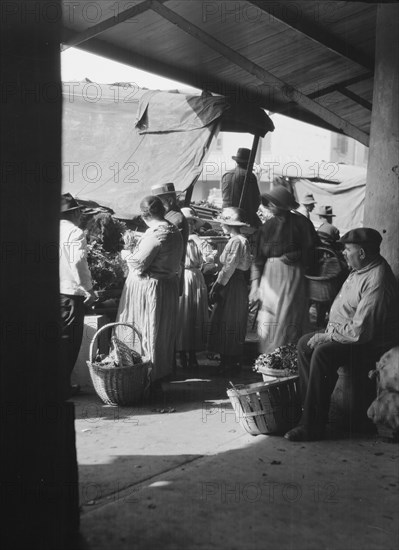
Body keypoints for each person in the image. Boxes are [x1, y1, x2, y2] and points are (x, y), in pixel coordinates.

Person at [284, 228, 399, 442]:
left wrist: (327, 336)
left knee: (323, 352)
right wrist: (328, 331)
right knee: (304, 344)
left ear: (362, 253)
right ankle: (309, 414)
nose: (344, 253)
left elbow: (361, 332)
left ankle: (312, 426)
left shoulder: (377, 279)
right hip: (348, 332)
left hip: (369, 342)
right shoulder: (359, 269)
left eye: (347, 250)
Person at [115, 195, 183, 387]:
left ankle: (145, 376)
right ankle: (160, 372)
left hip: (150, 288)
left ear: (144, 216)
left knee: (147, 328)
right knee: (162, 331)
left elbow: (138, 264)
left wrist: (126, 252)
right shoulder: (174, 230)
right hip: (167, 285)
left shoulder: (156, 233)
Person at [250, 186, 318, 354]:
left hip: (292, 274)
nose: (271, 205)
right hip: (270, 275)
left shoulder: (301, 223)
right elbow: (258, 259)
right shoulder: (267, 227)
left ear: (284, 204)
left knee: (289, 314)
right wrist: (254, 286)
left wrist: (297, 256)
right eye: (269, 202)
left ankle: (288, 357)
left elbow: (313, 250)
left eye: (275, 202)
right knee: (269, 315)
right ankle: (268, 355)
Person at [59, 193, 97, 397]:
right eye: (80, 211)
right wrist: (88, 290)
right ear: (74, 212)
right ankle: (61, 385)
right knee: (68, 340)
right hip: (68, 293)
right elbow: (77, 263)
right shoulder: (74, 232)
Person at [207, 207, 252, 373]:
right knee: (233, 319)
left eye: (224, 224)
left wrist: (217, 285)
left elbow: (229, 267)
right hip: (237, 283)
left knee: (228, 318)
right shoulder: (243, 240)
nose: (222, 227)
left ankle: (229, 362)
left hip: (231, 283)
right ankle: (230, 360)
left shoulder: (236, 241)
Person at [176, 207, 210, 369]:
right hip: (183, 275)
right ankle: (182, 352)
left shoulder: (198, 241)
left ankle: (193, 353)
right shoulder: (177, 239)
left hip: (196, 276)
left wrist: (204, 263)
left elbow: (210, 257)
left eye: (191, 222)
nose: (189, 225)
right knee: (183, 314)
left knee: (196, 314)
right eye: (186, 222)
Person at [151, 182, 189, 295]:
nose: (155, 207)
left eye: (158, 203)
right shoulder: (170, 216)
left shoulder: (175, 219)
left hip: (169, 273)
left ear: (170, 201)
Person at [221, 147, 261, 228]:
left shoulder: (226, 175)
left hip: (225, 217)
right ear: (249, 163)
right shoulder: (249, 176)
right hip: (242, 218)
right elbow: (256, 201)